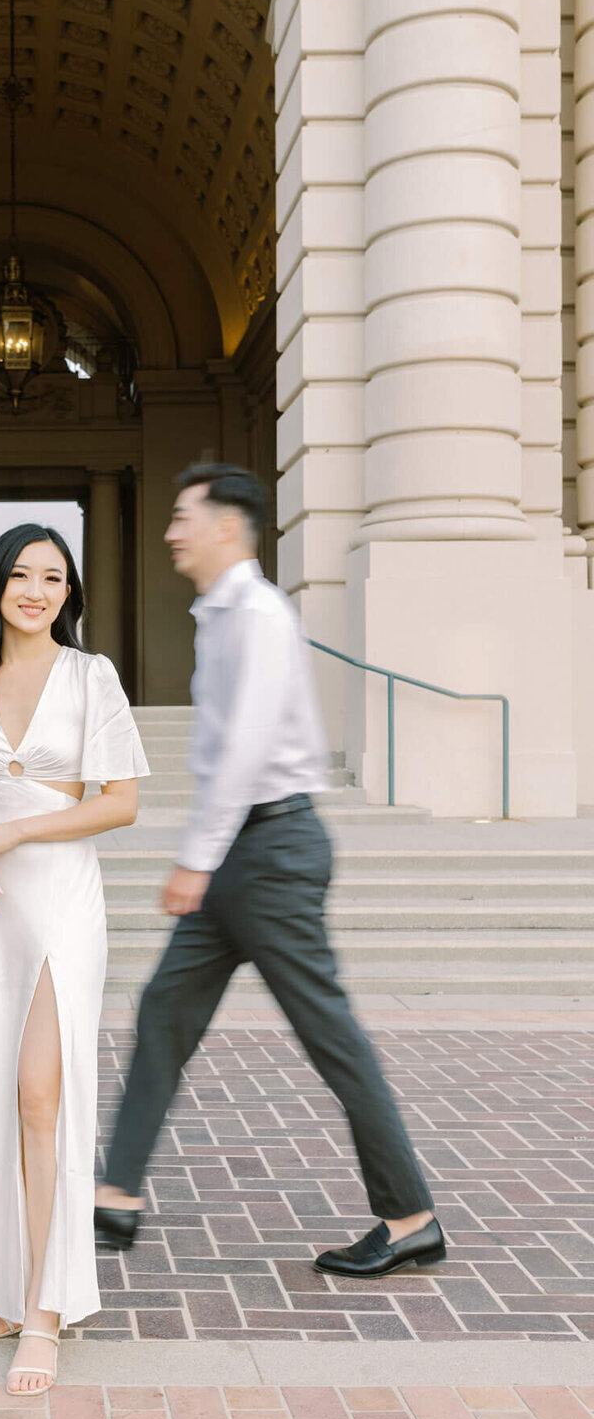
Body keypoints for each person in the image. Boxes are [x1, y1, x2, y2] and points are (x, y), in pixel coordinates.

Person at [93, 464, 445, 1280]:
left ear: (226, 525)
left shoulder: (254, 613)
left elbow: (247, 750)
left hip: (270, 851)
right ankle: (115, 1199)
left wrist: (195, 858)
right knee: (163, 1013)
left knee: (333, 1041)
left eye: (184, 516)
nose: (173, 530)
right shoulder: (219, 615)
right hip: (248, 853)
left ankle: (410, 1215)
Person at [0, 523, 149, 1395]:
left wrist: (9, 830)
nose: (37, 591)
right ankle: (2, 1281)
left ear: (70, 592)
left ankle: (45, 1309)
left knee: (41, 1094)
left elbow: (118, 804)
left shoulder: (92, 677)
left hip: (60, 898)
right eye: (21, 575)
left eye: (54, 577)